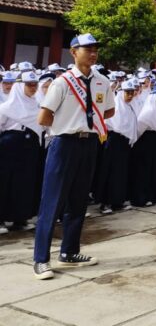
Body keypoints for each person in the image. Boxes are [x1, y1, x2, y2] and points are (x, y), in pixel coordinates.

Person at [33, 33, 116, 279]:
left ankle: (69, 251)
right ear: (73, 52)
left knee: (79, 201)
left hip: (89, 144)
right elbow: (44, 117)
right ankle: (41, 259)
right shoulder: (63, 83)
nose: (93, 53)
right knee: (52, 202)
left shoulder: (102, 81)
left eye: (95, 49)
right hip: (64, 144)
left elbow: (109, 110)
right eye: (87, 49)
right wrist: (67, 126)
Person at [0, 71, 42, 234]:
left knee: (25, 183)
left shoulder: (37, 105)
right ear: (19, 86)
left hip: (30, 145)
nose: (33, 88)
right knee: (5, 182)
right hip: (10, 146)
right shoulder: (6, 107)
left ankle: (20, 218)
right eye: (29, 84)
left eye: (34, 84)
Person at [97, 80, 138, 214]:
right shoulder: (115, 105)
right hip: (114, 141)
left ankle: (117, 201)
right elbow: (113, 124)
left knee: (121, 173)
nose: (130, 95)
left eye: (132, 93)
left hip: (124, 143)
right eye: (127, 92)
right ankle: (105, 202)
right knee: (110, 172)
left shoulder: (130, 107)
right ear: (121, 92)